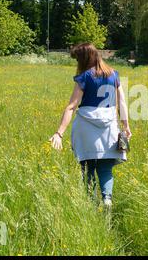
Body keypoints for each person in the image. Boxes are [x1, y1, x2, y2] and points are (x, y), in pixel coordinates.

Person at [49, 43, 132, 207]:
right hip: (109, 127)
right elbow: (121, 102)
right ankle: (107, 199)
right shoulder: (114, 75)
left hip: (85, 128)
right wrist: (126, 126)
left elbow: (72, 106)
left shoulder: (85, 77)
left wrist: (59, 133)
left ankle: (91, 205)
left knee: (87, 169)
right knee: (105, 168)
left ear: (83, 59)